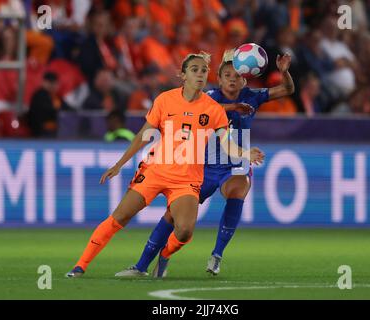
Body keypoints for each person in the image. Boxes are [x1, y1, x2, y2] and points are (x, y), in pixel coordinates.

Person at [66, 52, 264, 278]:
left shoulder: (214, 109)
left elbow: (227, 146)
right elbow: (144, 135)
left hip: (186, 180)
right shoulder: (164, 100)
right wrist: (120, 163)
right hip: (156, 171)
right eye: (195, 70)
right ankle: (80, 266)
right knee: (119, 217)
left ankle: (164, 255)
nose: (200, 74)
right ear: (183, 75)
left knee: (185, 232)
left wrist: (246, 153)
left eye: (204, 71)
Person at [115, 49, 294, 277]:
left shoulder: (252, 96)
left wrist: (284, 73)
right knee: (172, 216)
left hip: (235, 163)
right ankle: (143, 265)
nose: (232, 79)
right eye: (226, 75)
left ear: (244, 78)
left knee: (237, 190)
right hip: (204, 166)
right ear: (218, 80)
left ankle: (216, 255)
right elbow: (195, 108)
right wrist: (233, 108)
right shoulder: (208, 97)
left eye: (236, 75)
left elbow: (288, 89)